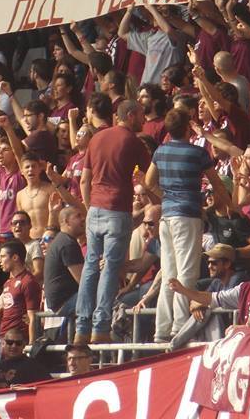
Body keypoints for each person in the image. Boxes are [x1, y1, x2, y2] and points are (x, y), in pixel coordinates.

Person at [143, 108, 225, 341]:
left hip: (167, 216)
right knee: (186, 272)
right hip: (188, 215)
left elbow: (149, 182)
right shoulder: (198, 153)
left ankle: (162, 329)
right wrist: (221, 205)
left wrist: (167, 196)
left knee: (169, 271)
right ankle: (179, 326)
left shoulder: (160, 151)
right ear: (188, 128)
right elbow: (217, 184)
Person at [74, 100, 151, 345]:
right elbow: (150, 175)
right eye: (141, 115)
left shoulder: (96, 138)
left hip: (95, 209)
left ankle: (81, 327)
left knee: (90, 266)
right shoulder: (133, 142)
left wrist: (90, 208)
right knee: (110, 268)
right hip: (117, 209)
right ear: (130, 115)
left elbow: (84, 180)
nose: (145, 119)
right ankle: (100, 326)